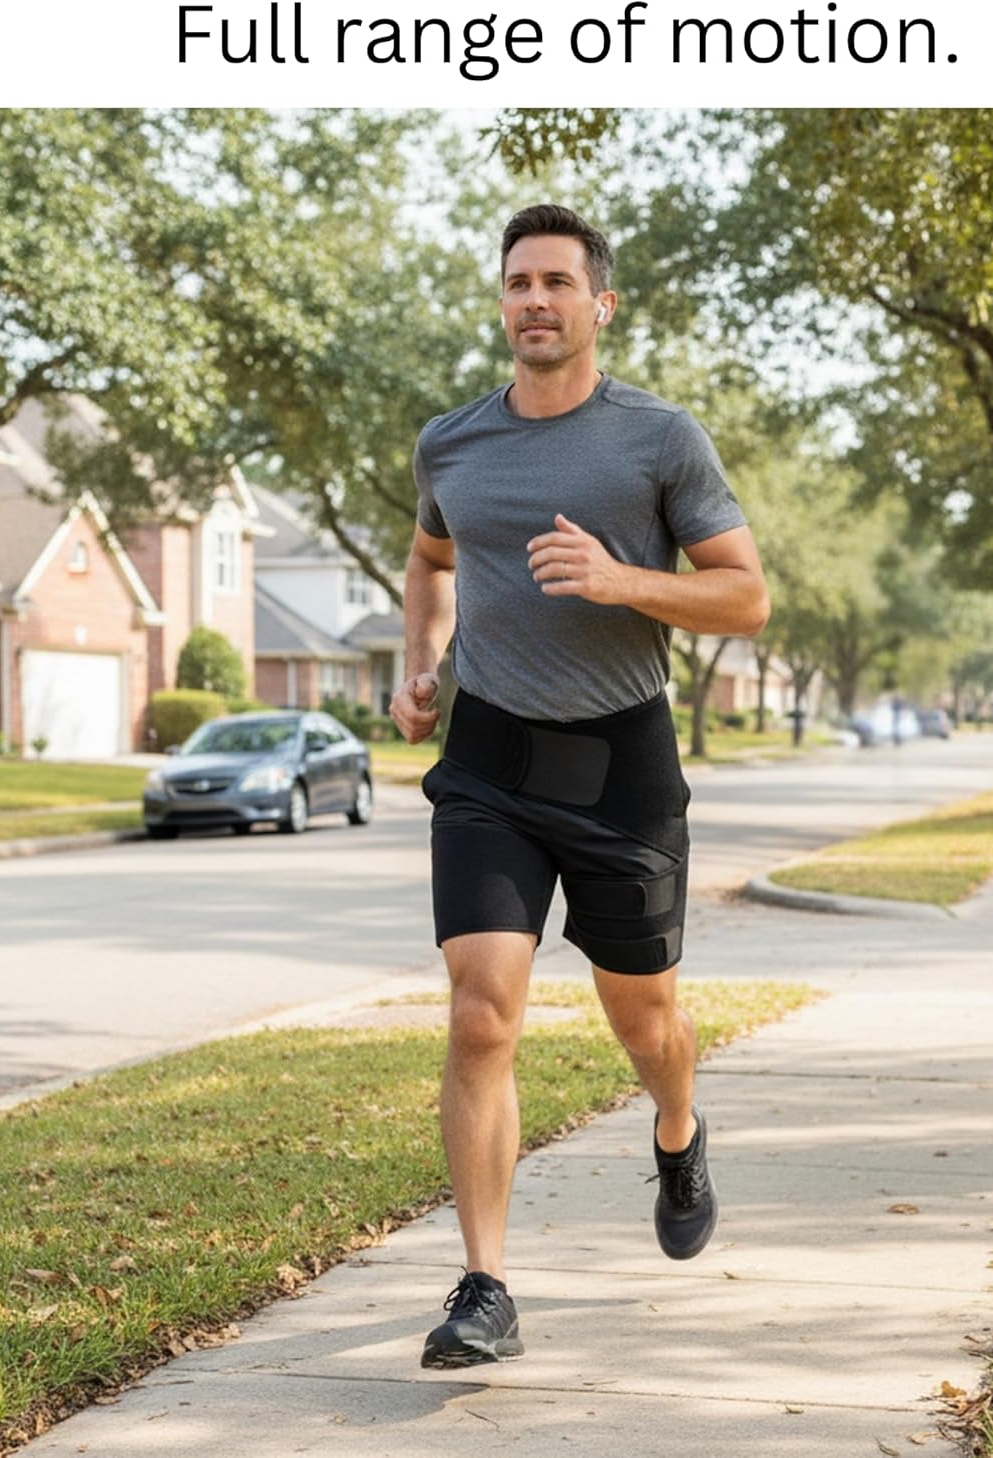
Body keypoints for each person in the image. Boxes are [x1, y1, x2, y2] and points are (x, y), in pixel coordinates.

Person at [390, 204, 769, 1370]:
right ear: (501, 303)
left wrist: (620, 580)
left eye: (557, 281)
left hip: (622, 769)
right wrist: (420, 663)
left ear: (600, 305)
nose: (535, 300)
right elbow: (431, 557)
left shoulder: (657, 439)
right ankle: (486, 1285)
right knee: (480, 1009)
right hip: (492, 762)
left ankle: (677, 1126)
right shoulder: (451, 444)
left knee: (643, 1022)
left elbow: (747, 596)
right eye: (517, 283)